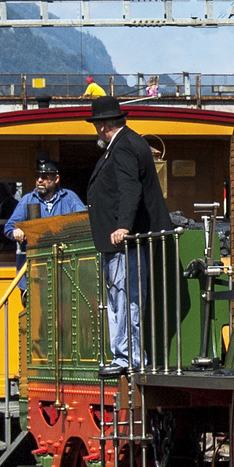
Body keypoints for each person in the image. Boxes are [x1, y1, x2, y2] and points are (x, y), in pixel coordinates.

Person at [86, 97, 170, 376]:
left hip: (125, 242)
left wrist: (123, 226)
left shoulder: (123, 148)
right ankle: (128, 354)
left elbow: (129, 188)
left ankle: (128, 357)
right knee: (123, 295)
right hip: (121, 241)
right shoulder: (128, 143)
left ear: (102, 125)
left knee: (125, 296)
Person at [6, 160, 86, 284]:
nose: (39, 180)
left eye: (44, 177)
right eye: (37, 177)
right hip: (35, 270)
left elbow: (84, 223)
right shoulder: (28, 199)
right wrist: (16, 231)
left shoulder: (70, 198)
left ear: (56, 179)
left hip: (64, 268)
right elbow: (9, 227)